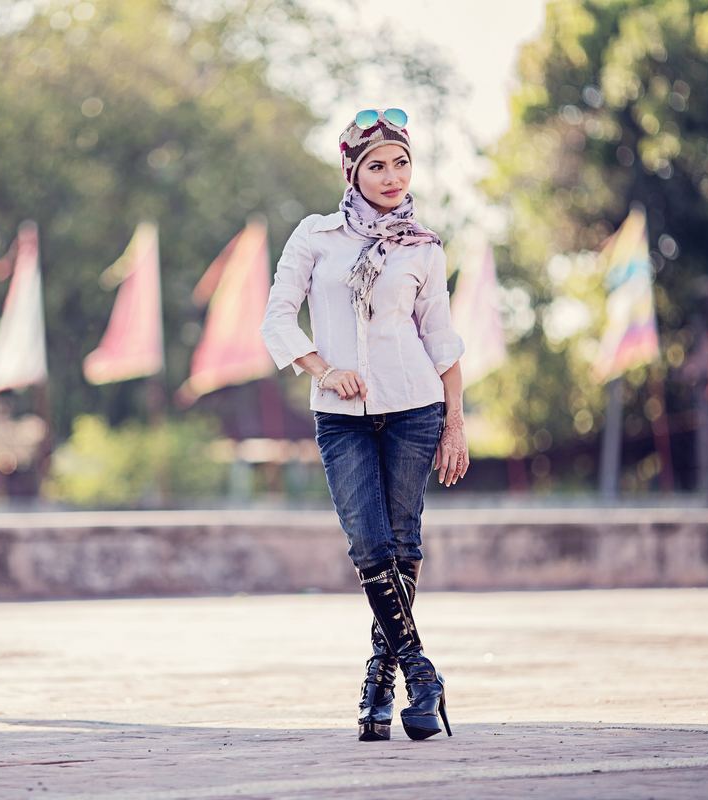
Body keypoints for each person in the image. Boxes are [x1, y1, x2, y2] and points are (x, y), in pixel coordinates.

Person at [259, 107, 469, 742]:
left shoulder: (423, 246)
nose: (392, 177)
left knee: (403, 544)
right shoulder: (315, 236)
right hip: (341, 418)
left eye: (401, 164)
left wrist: (455, 422)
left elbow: (440, 338)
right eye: (377, 166)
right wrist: (323, 370)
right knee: (369, 546)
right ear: (352, 172)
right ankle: (421, 672)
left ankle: (382, 684)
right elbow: (277, 317)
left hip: (415, 408)